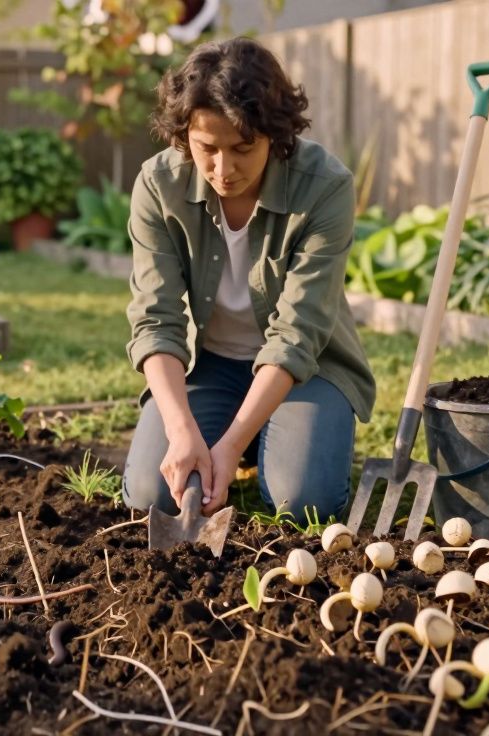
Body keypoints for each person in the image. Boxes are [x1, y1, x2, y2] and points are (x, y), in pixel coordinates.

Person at [121, 36, 375, 525]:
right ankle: (244, 436)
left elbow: (298, 334)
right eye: (206, 148)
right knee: (150, 493)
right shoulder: (159, 186)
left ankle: (274, 437)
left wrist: (229, 443)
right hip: (211, 363)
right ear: (184, 137)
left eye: (243, 148)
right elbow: (157, 320)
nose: (223, 169)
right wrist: (181, 431)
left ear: (275, 136)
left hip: (309, 369)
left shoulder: (326, 186)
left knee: (301, 502)